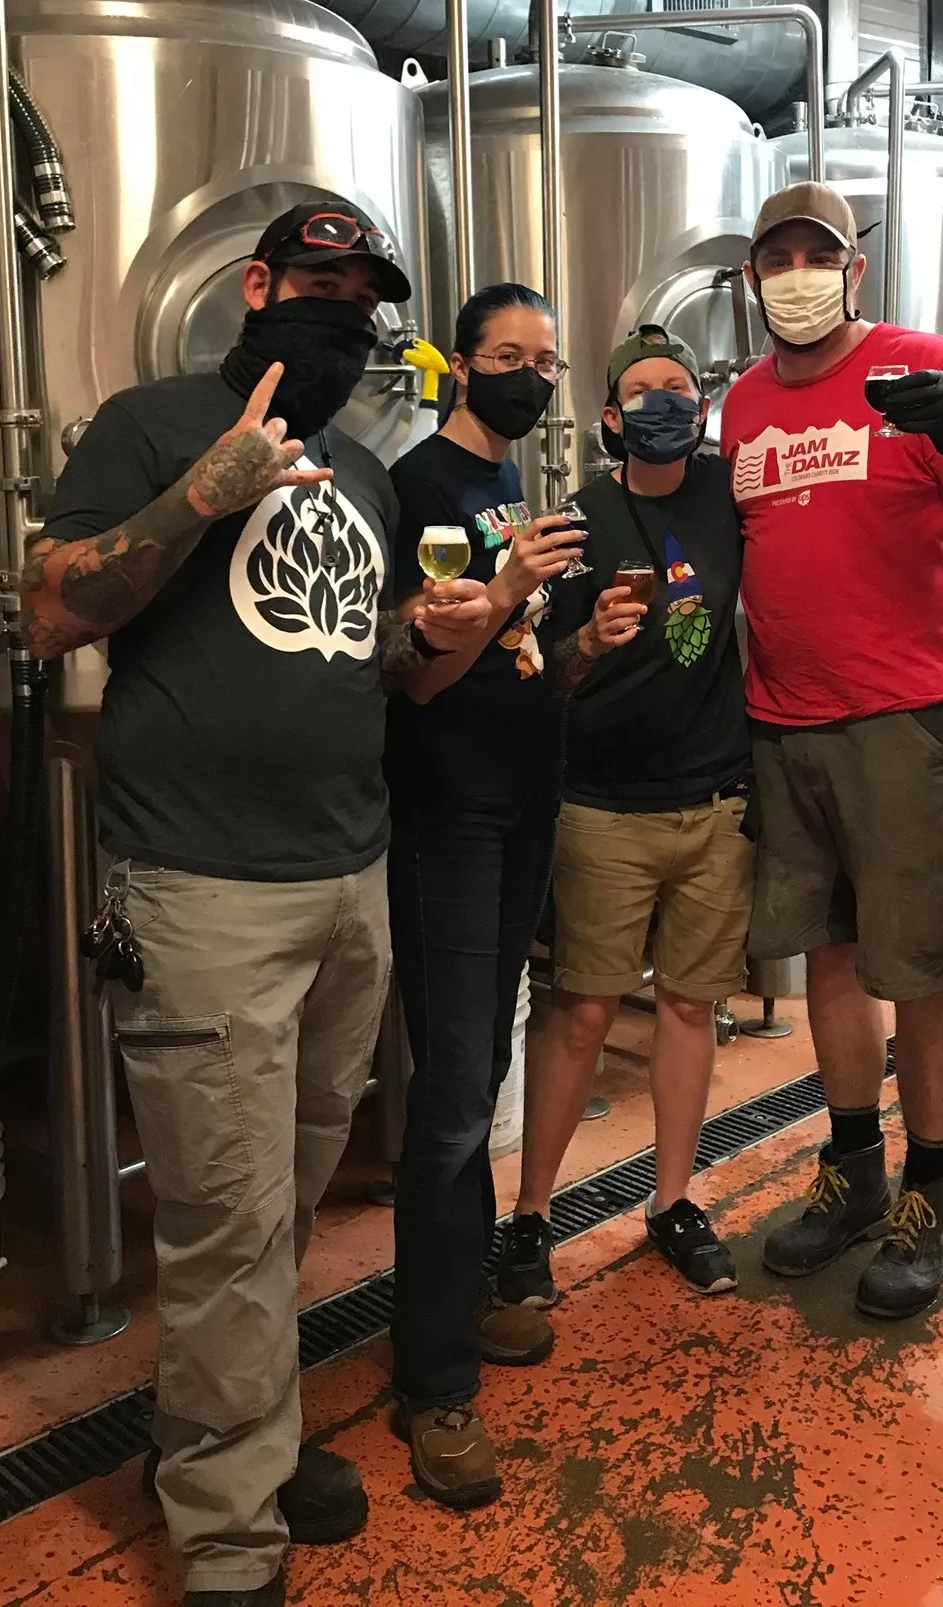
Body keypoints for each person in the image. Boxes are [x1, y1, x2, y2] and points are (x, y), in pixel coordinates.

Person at [22, 199, 496, 1607]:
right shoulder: (152, 425)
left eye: (362, 296)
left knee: (278, 1210)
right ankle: (228, 1538)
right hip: (200, 889)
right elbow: (49, 608)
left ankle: (239, 1439)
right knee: (227, 1225)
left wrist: (436, 632)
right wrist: (203, 494)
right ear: (255, 285)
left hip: (348, 883)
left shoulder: (365, 469)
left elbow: (368, 656)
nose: (341, 312)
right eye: (317, 283)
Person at [724, 182, 943, 1321]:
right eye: (777, 259)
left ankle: (926, 1194)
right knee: (828, 959)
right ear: (752, 277)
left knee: (916, 971)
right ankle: (854, 1168)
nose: (798, 277)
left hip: (903, 718)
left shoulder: (925, 370)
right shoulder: (744, 403)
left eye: (817, 256)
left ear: (854, 269)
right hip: (784, 722)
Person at [385, 282, 644, 1510]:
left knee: (482, 1064)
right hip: (448, 812)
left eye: (546, 361)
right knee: (449, 1095)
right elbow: (418, 679)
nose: (532, 376)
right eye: (507, 355)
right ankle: (432, 1377)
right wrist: (498, 593)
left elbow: (530, 667)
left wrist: (591, 644)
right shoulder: (420, 487)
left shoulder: (511, 490)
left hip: (525, 799)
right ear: (460, 364)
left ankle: (460, 1300)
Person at [499, 322, 754, 1308]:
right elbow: (545, 671)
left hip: (716, 800)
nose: (664, 404)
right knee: (585, 1011)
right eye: (643, 392)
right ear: (610, 415)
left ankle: (674, 1200)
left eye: (679, 389)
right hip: (603, 807)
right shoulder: (578, 520)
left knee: (691, 1005)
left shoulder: (729, 496)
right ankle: (530, 1214)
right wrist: (593, 642)